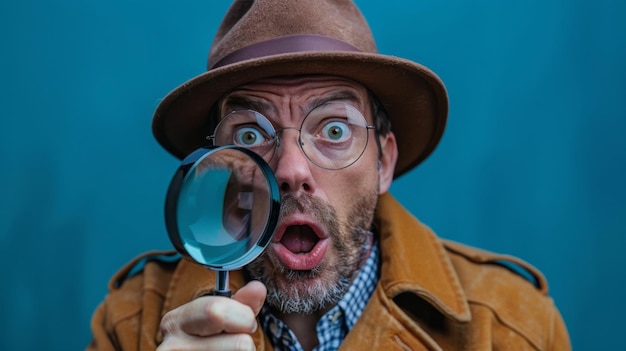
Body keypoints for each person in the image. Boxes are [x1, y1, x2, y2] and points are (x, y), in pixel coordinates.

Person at [87, 0, 571, 350]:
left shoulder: (511, 330)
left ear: (383, 162)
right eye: (251, 137)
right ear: (216, 171)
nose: (291, 170)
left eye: (334, 129)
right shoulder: (129, 326)